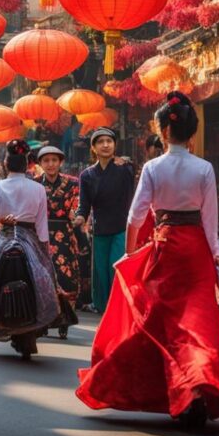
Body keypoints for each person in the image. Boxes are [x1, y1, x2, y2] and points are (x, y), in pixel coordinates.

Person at [77, 92, 219, 429]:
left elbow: (135, 216)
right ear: (192, 134)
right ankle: (197, 385)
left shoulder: (152, 167)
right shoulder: (204, 168)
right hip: (195, 251)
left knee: (159, 323)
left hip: (164, 247)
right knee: (196, 324)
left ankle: (174, 389)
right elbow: (209, 219)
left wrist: (131, 251)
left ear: (162, 132)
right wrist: (216, 254)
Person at [0, 140, 59, 359]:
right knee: (42, 281)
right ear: (28, 165)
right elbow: (42, 222)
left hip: (5, 237)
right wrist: (44, 247)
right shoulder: (38, 188)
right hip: (31, 240)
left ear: (6, 164)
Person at [73, 127, 135, 314]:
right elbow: (84, 205)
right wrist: (79, 218)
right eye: (100, 142)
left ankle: (118, 306)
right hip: (99, 229)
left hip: (121, 226)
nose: (106, 145)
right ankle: (102, 307)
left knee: (115, 267)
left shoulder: (125, 169)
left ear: (115, 145)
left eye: (109, 141)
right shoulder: (86, 175)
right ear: (94, 148)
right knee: (99, 272)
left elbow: (132, 198)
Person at [37, 145, 81, 339]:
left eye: (54, 160)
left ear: (60, 162)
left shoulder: (73, 183)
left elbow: (77, 208)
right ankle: (45, 320)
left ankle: (65, 321)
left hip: (65, 233)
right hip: (41, 235)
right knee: (43, 278)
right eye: (46, 161)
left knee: (66, 277)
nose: (51, 164)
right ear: (40, 164)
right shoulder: (35, 184)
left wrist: (77, 217)